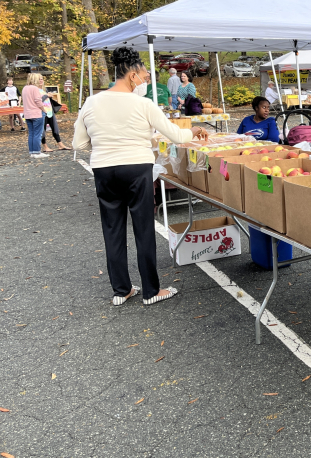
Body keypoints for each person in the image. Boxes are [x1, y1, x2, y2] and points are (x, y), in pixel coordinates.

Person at [72, 47, 209, 306]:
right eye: (145, 76)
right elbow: (178, 136)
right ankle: (150, 290)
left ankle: (121, 290)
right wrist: (196, 130)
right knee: (143, 228)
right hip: (136, 167)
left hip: (103, 168)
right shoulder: (143, 104)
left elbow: (79, 144)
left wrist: (104, 145)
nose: (147, 80)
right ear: (133, 75)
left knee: (112, 230)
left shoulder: (91, 102)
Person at [39, 76, 69, 152]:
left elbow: (46, 99)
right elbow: (38, 101)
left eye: (42, 79)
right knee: (43, 130)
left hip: (50, 111)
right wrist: (46, 96)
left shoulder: (44, 89)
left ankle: (61, 144)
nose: (41, 81)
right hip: (42, 112)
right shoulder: (35, 90)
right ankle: (45, 146)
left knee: (55, 128)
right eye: (39, 79)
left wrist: (50, 97)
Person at [22, 73, 47, 158]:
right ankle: (37, 152)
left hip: (27, 113)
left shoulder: (25, 88)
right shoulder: (35, 88)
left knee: (31, 133)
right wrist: (44, 109)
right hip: (36, 113)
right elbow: (38, 101)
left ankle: (32, 152)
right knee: (38, 133)